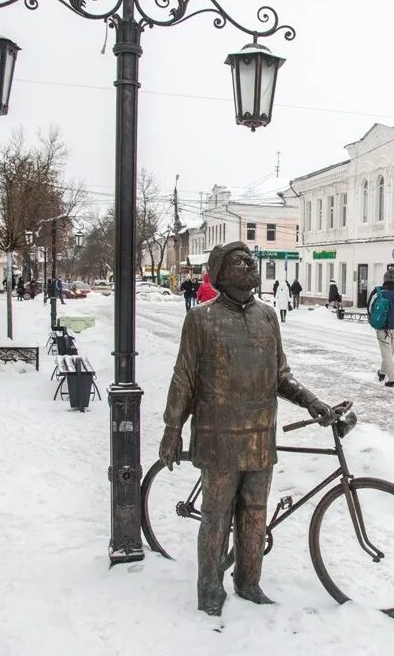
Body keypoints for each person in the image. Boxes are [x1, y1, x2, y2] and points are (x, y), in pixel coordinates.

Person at [158, 241, 334, 616]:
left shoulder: (268, 317)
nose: (250, 265)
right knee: (216, 516)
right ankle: (209, 590)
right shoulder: (201, 319)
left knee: (255, 514)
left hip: (259, 436)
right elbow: (184, 378)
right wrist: (173, 427)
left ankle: (249, 582)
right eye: (240, 261)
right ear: (220, 272)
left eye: (250, 259)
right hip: (218, 437)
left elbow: (281, 376)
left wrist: (311, 400)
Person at [366, 269, 394, 388]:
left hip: (382, 327)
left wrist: (374, 318)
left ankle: (393, 379)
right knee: (389, 353)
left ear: (384, 280)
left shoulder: (378, 291)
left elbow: (370, 308)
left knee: (387, 354)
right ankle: (382, 373)